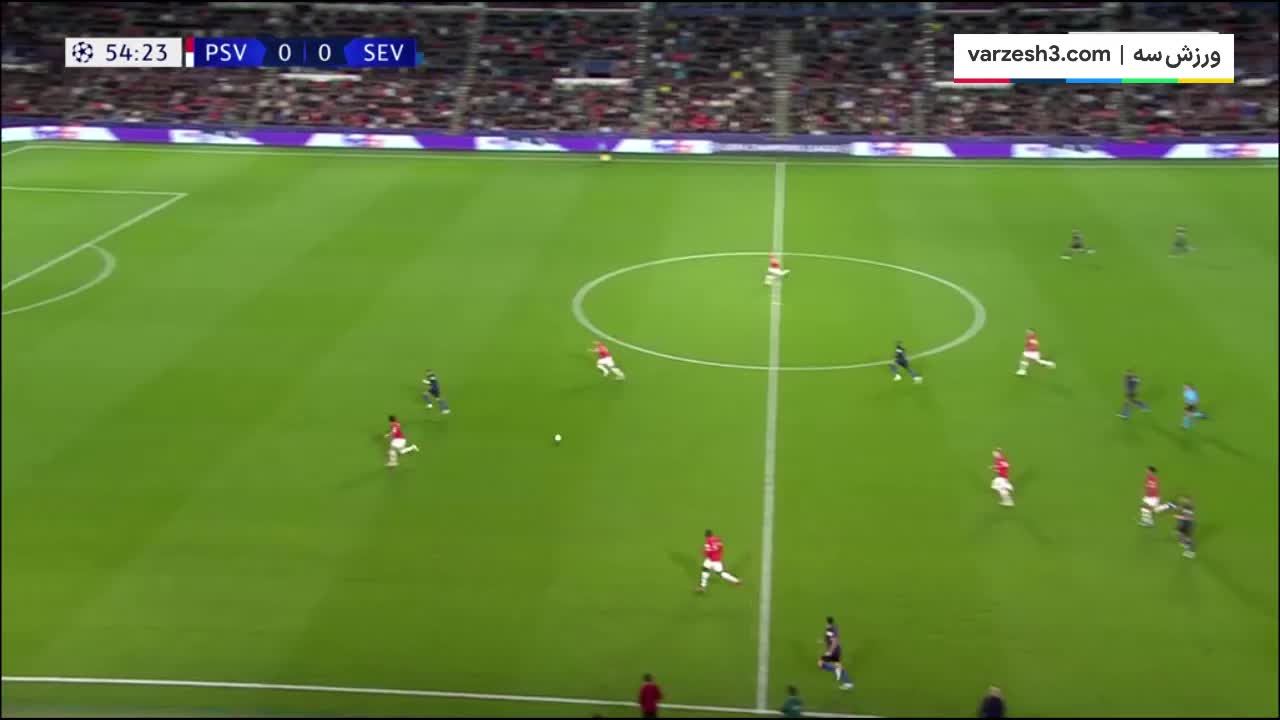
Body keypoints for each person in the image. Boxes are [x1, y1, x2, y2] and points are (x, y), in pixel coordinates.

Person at [817, 616, 854, 690]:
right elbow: (829, 638)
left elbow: (834, 642)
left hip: (834, 652)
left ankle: (848, 683)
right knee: (820, 664)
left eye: (826, 623)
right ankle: (837, 669)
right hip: (834, 650)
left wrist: (829, 652)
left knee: (821, 663)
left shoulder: (831, 630)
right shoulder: (833, 627)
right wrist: (823, 641)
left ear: (828, 623)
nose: (825, 624)